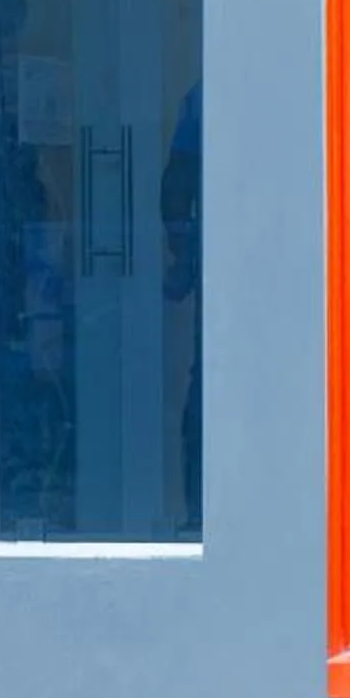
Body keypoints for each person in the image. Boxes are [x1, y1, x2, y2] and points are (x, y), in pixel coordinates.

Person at [160, 81, 203, 536]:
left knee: (207, 386)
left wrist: (183, 257)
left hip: (216, 267)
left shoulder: (199, 97)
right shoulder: (201, 98)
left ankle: (200, 515)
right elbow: (176, 187)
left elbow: (175, 186)